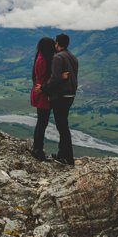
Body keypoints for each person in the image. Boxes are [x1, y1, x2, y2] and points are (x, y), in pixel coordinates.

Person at [41, 33, 78, 166]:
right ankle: (63, 155)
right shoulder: (73, 57)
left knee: (62, 127)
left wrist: (44, 88)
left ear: (57, 43)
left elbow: (55, 78)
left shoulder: (57, 57)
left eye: (55, 43)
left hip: (61, 96)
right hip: (70, 95)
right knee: (63, 126)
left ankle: (68, 158)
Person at [29, 37, 56, 161]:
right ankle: (38, 150)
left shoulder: (40, 57)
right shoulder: (43, 60)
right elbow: (45, 78)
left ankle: (37, 148)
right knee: (42, 123)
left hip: (40, 92)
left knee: (41, 122)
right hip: (42, 94)